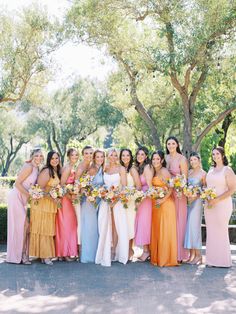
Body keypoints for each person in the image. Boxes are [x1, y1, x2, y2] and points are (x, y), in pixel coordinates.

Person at [7, 148, 43, 264]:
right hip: (16, 197)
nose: (38, 158)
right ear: (32, 156)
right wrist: (30, 196)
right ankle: (21, 255)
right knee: (25, 224)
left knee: (25, 226)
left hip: (23, 199)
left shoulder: (37, 168)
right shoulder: (28, 167)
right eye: (36, 155)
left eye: (40, 156)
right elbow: (17, 183)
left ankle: (22, 253)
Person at [96, 149, 129, 266]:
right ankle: (105, 250)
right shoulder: (104, 168)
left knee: (116, 226)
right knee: (105, 225)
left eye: (115, 155)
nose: (113, 157)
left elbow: (124, 186)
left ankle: (115, 250)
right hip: (105, 201)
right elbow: (101, 185)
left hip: (117, 201)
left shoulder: (121, 169)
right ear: (107, 156)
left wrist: (115, 200)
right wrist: (105, 196)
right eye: (111, 155)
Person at [205, 146, 236, 267]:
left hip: (222, 204)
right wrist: (207, 198)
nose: (215, 156)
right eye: (213, 154)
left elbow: (232, 189)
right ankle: (211, 260)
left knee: (221, 230)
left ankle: (223, 261)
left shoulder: (227, 170)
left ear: (222, 155)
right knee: (211, 231)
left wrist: (217, 200)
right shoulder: (211, 170)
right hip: (209, 205)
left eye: (217, 154)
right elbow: (208, 187)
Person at [29, 151, 61, 265]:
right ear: (48, 159)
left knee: (46, 230)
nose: (55, 160)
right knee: (43, 229)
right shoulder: (47, 170)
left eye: (57, 158)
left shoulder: (55, 171)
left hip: (49, 205)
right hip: (42, 204)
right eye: (52, 158)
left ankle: (42, 255)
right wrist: (53, 198)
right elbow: (40, 188)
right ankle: (45, 256)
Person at [150, 151, 178, 267]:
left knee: (164, 230)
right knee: (158, 229)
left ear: (162, 160)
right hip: (156, 203)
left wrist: (163, 199)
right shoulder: (154, 171)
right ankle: (157, 257)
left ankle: (165, 259)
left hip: (165, 204)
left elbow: (171, 188)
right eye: (154, 159)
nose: (155, 161)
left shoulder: (164, 171)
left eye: (157, 159)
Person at [165, 136, 189, 262]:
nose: (171, 146)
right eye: (169, 144)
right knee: (170, 222)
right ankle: (169, 251)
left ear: (177, 144)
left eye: (173, 143)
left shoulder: (182, 159)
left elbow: (184, 178)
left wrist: (178, 188)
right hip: (168, 193)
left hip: (179, 193)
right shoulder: (165, 157)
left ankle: (179, 254)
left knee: (179, 222)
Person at [80, 149, 105, 263]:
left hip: (98, 201)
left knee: (95, 228)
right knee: (90, 228)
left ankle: (96, 254)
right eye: (98, 157)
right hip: (89, 202)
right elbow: (83, 185)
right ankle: (88, 256)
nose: (100, 159)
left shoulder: (101, 169)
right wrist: (90, 196)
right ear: (94, 158)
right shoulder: (92, 169)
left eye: (102, 157)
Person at [55, 148, 79, 261]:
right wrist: (70, 195)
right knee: (67, 226)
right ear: (69, 156)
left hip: (67, 200)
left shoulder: (70, 167)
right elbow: (62, 185)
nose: (75, 157)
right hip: (65, 200)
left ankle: (62, 252)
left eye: (76, 155)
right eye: (73, 155)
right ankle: (65, 253)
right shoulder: (68, 168)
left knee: (67, 225)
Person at [184, 152, 206, 264]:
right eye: (191, 160)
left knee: (195, 228)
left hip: (197, 203)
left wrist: (195, 195)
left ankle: (199, 256)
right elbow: (186, 187)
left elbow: (205, 189)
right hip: (189, 202)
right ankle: (191, 255)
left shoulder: (203, 174)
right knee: (189, 228)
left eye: (195, 160)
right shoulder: (189, 172)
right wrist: (187, 194)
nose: (193, 162)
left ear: (199, 160)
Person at [120, 148, 141, 260]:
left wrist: (131, 196)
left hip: (131, 201)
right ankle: (124, 249)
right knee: (123, 225)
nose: (125, 157)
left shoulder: (133, 169)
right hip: (122, 201)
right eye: (123, 155)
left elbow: (138, 186)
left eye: (127, 155)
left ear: (131, 157)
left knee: (130, 225)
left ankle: (130, 249)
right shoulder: (121, 168)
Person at [134, 147, 153, 261]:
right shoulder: (140, 167)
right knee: (142, 223)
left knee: (145, 224)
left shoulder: (147, 167)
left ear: (146, 156)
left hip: (146, 199)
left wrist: (141, 198)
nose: (140, 156)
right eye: (138, 154)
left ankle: (146, 251)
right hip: (141, 197)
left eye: (142, 154)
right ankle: (146, 250)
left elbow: (150, 187)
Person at [75, 146, 94, 256]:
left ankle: (90, 248)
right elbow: (77, 184)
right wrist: (83, 191)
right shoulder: (81, 167)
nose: (89, 155)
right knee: (82, 223)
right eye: (86, 153)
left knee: (90, 224)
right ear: (83, 155)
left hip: (91, 198)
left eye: (91, 153)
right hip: (82, 199)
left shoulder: (92, 166)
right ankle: (81, 250)